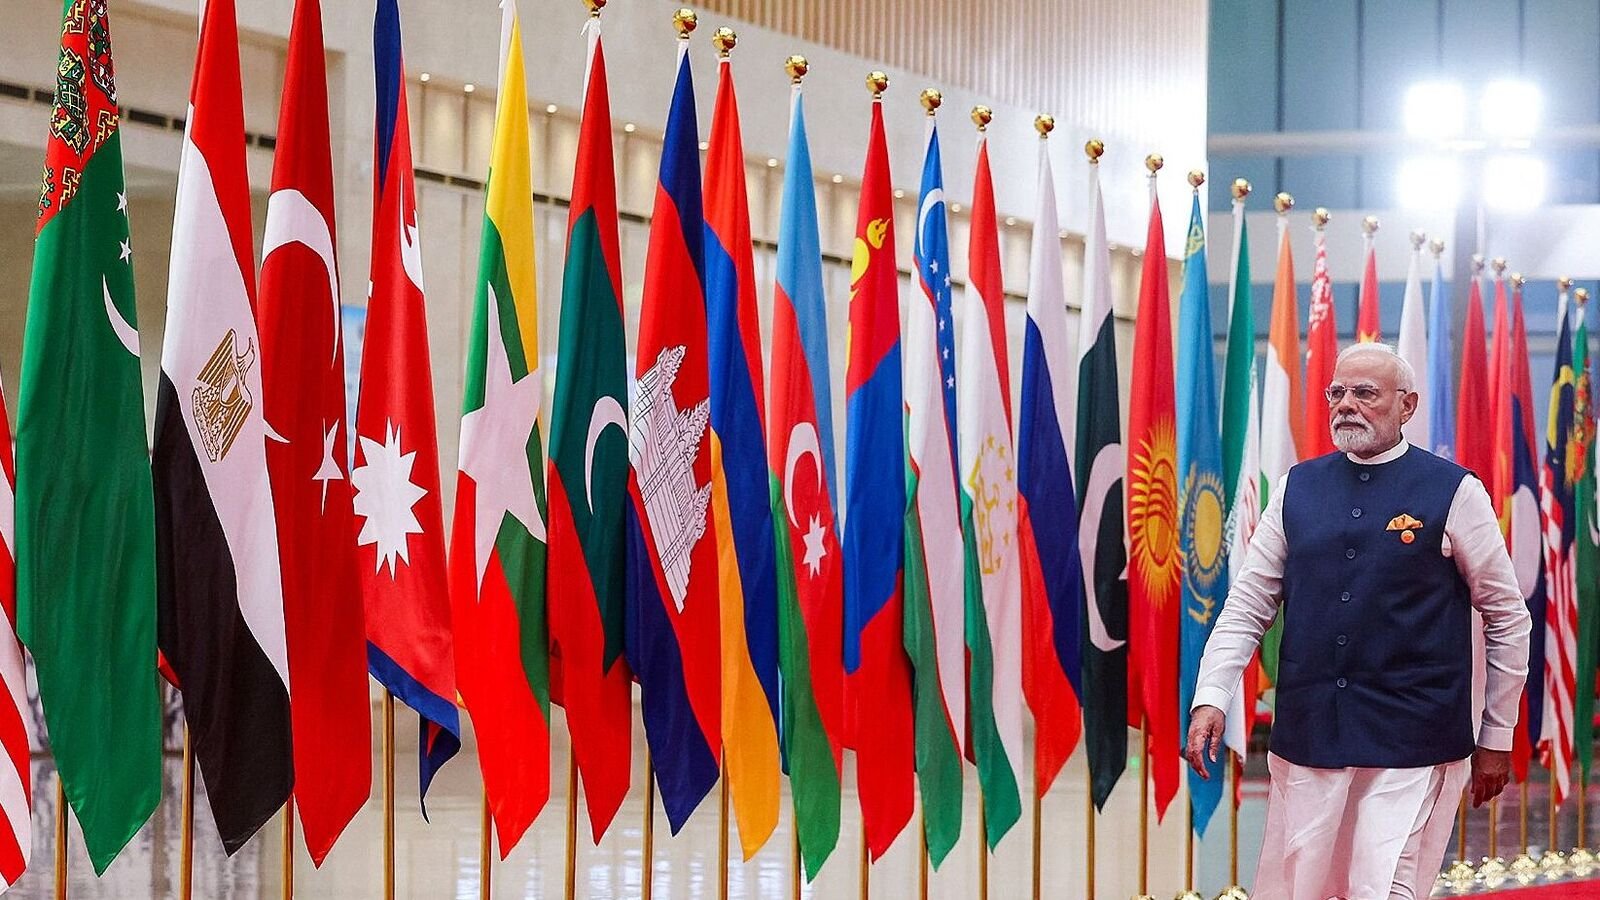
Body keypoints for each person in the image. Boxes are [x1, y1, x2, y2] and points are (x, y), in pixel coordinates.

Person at [1185, 342, 1531, 900]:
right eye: (1337, 393)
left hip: (1415, 734)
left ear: (1407, 405)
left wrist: (1496, 734)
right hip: (1310, 730)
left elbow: (1507, 617)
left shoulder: (1455, 490)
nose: (1346, 405)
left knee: (1385, 883)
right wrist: (1211, 696)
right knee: (1303, 886)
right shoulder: (1298, 487)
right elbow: (1247, 604)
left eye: (1365, 393)